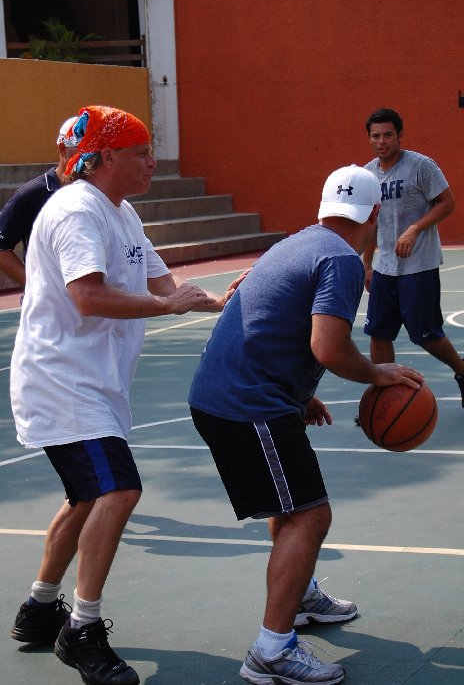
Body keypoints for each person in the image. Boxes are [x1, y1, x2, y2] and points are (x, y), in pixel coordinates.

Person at [9, 105, 231, 685]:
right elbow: (89, 296)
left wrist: (226, 304)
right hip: (62, 384)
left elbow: (167, 285)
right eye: (141, 152)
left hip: (93, 384)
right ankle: (81, 629)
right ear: (107, 157)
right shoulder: (76, 210)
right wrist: (167, 306)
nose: (153, 161)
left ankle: (39, 608)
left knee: (86, 496)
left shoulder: (122, 212)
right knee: (119, 489)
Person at [188, 164, 424, 685]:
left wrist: (299, 394)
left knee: (292, 506)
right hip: (246, 403)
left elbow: (269, 322)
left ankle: (300, 596)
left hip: (236, 395)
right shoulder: (341, 259)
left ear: (324, 206)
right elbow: (328, 347)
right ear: (376, 213)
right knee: (310, 517)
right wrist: (379, 373)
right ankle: (271, 651)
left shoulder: (297, 243)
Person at [363, 107, 464, 405]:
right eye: (376, 136)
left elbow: (447, 203)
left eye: (388, 135)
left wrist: (415, 229)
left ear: (399, 136)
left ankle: (462, 371)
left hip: (419, 265)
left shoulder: (421, 166)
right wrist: (367, 264)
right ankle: (385, 395)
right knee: (379, 333)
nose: (382, 141)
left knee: (426, 334)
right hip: (385, 268)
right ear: (369, 138)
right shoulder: (367, 175)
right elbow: (370, 223)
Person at [0, 116, 78, 289]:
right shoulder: (32, 193)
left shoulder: (100, 193)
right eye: (83, 150)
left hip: (90, 298)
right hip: (48, 303)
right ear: (63, 149)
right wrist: (36, 287)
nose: (90, 159)